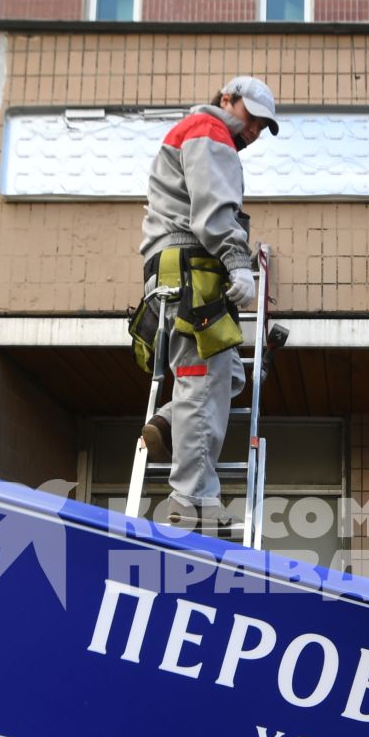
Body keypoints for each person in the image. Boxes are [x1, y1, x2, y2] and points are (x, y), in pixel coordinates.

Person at [134, 75, 279, 527]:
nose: (254, 130)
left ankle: (166, 422)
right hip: (192, 272)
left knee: (226, 375)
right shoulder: (209, 130)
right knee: (201, 378)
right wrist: (238, 261)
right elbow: (214, 209)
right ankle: (192, 504)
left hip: (179, 274)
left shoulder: (204, 135)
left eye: (262, 126)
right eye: (251, 116)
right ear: (226, 100)